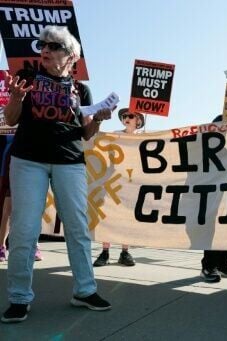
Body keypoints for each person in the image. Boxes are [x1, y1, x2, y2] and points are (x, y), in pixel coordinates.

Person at [1, 25, 112, 324]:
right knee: (24, 228)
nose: (46, 50)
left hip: (70, 161)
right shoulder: (26, 78)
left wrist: (98, 120)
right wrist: (15, 98)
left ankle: (85, 290)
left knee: (77, 226)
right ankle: (19, 297)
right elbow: (10, 119)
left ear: (71, 56)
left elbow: (86, 133)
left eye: (54, 46)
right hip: (29, 161)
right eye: (43, 45)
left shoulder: (81, 90)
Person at [93, 108, 143, 267]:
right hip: (113, 181)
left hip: (131, 183)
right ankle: (105, 252)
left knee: (126, 217)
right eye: (123, 116)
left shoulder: (144, 138)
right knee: (108, 216)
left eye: (130, 116)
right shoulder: (115, 134)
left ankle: (125, 252)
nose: (126, 118)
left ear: (138, 121)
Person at [200, 114, 227, 282]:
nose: (224, 131)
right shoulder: (205, 146)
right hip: (210, 195)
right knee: (211, 231)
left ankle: (223, 264)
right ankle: (208, 267)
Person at [0, 134, 43, 262]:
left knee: (34, 208)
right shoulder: (8, 120)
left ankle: (34, 245)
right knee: (8, 208)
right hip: (12, 161)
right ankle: (1, 246)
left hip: (35, 162)